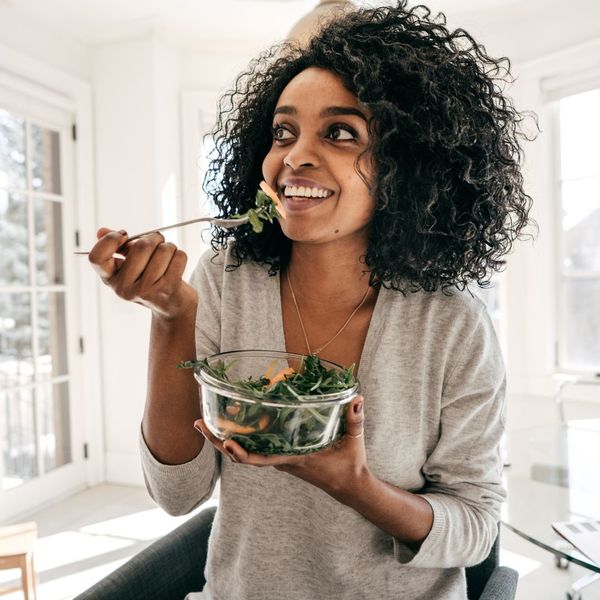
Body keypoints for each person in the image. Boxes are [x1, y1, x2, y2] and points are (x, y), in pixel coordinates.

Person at [89, 2, 534, 598]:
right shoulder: (226, 278)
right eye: (282, 131)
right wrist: (174, 315)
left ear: (408, 166)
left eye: (340, 132)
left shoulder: (452, 324)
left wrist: (356, 485)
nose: (293, 156)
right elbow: (177, 495)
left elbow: (477, 530)